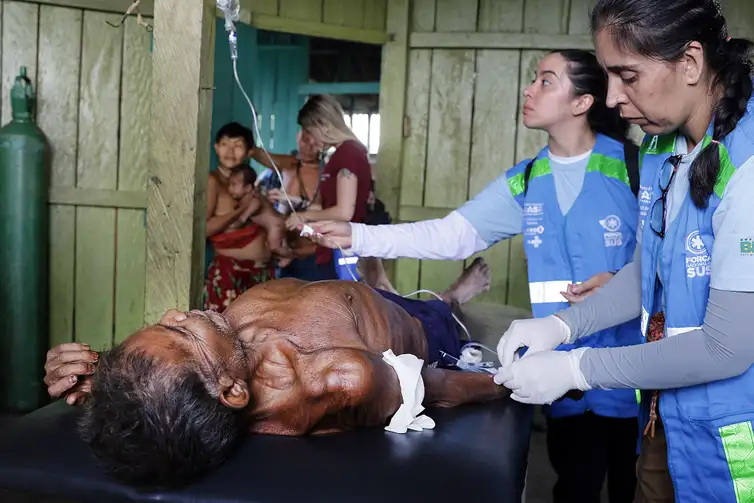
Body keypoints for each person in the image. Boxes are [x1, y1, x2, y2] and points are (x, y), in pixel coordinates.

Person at [306, 49, 643, 503]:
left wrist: (622, 280)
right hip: (563, 376)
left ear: (582, 103)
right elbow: (449, 237)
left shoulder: (635, 168)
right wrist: (358, 234)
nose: (529, 89)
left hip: (637, 372)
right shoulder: (528, 179)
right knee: (576, 486)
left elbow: (670, 261)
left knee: (639, 487)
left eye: (546, 81)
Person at [490, 1, 754, 502]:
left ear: (691, 63)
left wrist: (576, 368)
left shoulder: (748, 166)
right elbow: (647, 271)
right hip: (665, 417)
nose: (612, 98)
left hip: (733, 437)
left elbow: (727, 346)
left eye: (627, 75)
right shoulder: (661, 146)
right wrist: (563, 326)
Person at [41, 259, 504, 489]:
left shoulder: (209, 370)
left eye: (167, 323)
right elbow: (438, 387)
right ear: (234, 390)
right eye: (182, 332)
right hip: (418, 332)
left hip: (344, 300)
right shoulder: (341, 376)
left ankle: (379, 286)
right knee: (436, 312)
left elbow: (168, 374)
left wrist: (109, 380)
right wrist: (514, 381)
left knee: (375, 291)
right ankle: (450, 298)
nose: (175, 311)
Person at [285, 95, 373, 280]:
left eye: (309, 131)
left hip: (342, 249)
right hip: (335, 246)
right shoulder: (341, 154)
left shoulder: (347, 154)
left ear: (323, 125)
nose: (309, 140)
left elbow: (344, 212)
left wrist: (304, 215)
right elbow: (332, 204)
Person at [204, 122, 276, 311]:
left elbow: (289, 165)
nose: (230, 151)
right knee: (226, 333)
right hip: (231, 272)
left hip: (260, 271)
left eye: (238, 145)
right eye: (225, 144)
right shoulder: (214, 181)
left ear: (249, 151)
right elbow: (205, 229)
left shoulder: (250, 182)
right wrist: (240, 210)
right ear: (216, 148)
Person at [223, 164, 295, 268]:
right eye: (229, 184)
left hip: (276, 225)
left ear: (247, 187)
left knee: (274, 246)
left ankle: (290, 255)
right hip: (275, 224)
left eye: (234, 184)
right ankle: (285, 251)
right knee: (278, 244)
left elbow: (256, 204)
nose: (230, 188)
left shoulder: (252, 197)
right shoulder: (248, 196)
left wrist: (243, 218)